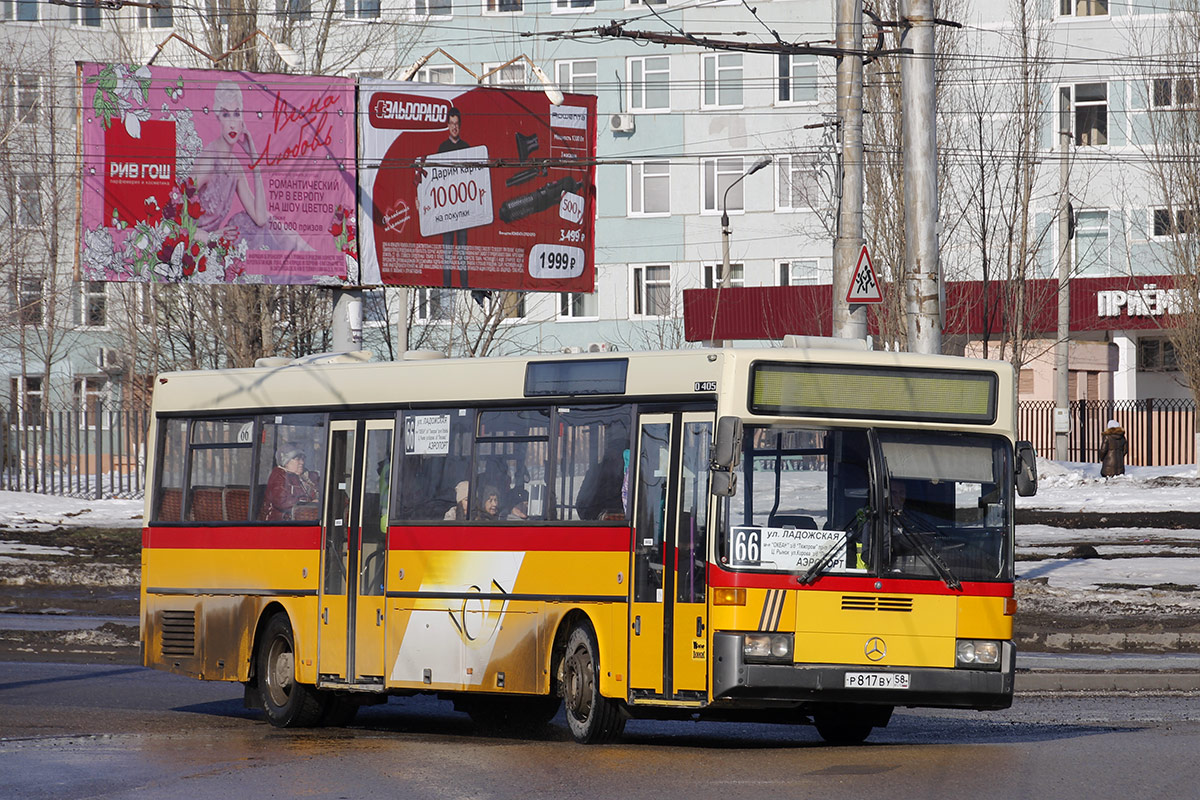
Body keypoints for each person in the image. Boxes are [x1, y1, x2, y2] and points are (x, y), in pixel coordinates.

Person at [192, 80, 312, 252]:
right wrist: (209, 237)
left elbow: (261, 218)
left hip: (217, 245)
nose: (232, 123)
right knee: (256, 229)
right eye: (226, 115)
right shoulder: (209, 160)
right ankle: (310, 264)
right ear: (218, 116)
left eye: (236, 113)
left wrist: (254, 160)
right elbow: (172, 220)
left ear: (242, 118)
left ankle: (310, 261)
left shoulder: (235, 166)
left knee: (266, 225)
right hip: (196, 247)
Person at [436, 107, 470, 289]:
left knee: (463, 252)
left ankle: (465, 286)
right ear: (447, 126)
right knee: (447, 253)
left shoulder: (467, 148)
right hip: (447, 211)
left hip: (463, 210)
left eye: (457, 124)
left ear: (460, 126)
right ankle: (447, 286)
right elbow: (436, 179)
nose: (454, 127)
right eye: (452, 124)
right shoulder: (442, 148)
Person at [261, 447, 319, 521]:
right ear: (286, 462)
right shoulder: (279, 475)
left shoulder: (305, 477)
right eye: (297, 459)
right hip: (280, 523)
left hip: (302, 518)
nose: (302, 462)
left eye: (303, 459)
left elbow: (315, 493)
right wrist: (308, 504)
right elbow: (282, 502)